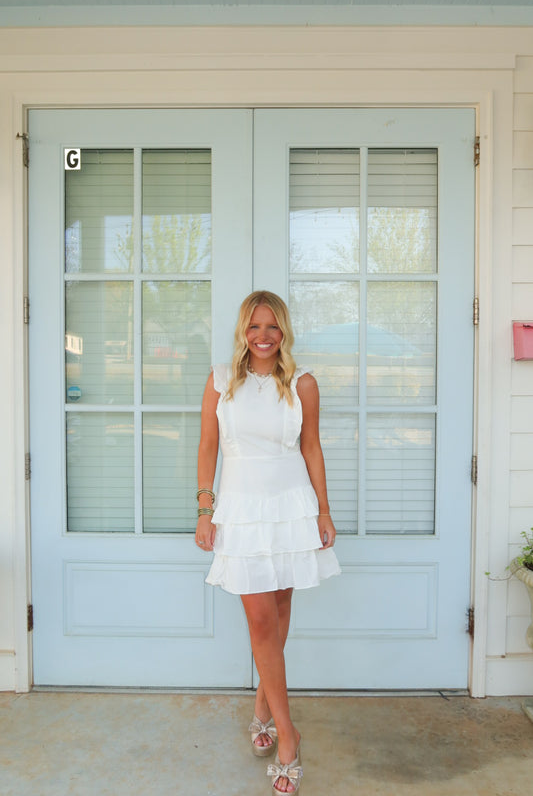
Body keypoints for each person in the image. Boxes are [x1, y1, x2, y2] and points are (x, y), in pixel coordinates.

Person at [195, 291, 341, 795]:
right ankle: (288, 736)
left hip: (290, 507)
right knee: (260, 620)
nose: (263, 337)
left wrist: (323, 510)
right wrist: (203, 511)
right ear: (243, 330)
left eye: (272, 327)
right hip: (240, 510)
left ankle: (262, 707)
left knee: (278, 616)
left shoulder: (302, 383)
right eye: (254, 327)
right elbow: (208, 447)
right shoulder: (220, 380)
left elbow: (312, 448)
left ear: (284, 331)